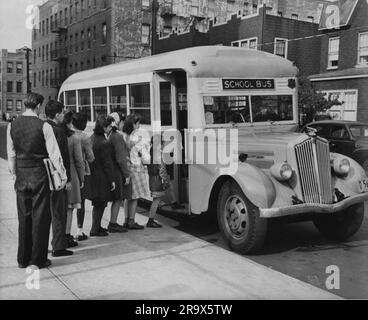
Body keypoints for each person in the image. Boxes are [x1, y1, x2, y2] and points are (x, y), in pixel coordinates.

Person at [7, 93, 67, 269]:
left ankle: (23, 258)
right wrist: (62, 175)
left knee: (24, 217)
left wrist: (14, 173)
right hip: (39, 174)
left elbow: (11, 154)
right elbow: (55, 154)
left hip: (22, 174)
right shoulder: (44, 127)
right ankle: (37, 259)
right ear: (39, 106)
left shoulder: (12, 125)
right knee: (40, 217)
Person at [45, 101, 74, 257]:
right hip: (57, 178)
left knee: (48, 212)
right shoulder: (59, 131)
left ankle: (49, 244)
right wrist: (67, 179)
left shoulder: (44, 127)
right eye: (62, 113)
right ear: (57, 115)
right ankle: (59, 246)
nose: (64, 115)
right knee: (59, 212)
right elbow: (63, 157)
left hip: (44, 176)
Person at [84, 115, 115, 237]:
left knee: (97, 203)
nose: (110, 129)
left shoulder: (92, 138)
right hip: (102, 177)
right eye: (108, 127)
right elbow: (108, 164)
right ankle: (95, 229)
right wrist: (112, 180)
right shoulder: (104, 142)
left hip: (92, 175)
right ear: (104, 127)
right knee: (101, 203)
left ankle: (96, 227)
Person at [122, 114, 150, 230]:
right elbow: (141, 153)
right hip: (136, 168)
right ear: (133, 124)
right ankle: (132, 221)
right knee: (135, 196)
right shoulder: (135, 137)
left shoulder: (124, 136)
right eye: (138, 123)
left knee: (128, 197)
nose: (139, 125)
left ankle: (126, 219)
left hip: (128, 168)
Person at [62, 111, 85, 247]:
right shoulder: (74, 138)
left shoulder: (56, 134)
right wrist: (81, 178)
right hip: (72, 173)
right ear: (70, 122)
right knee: (70, 208)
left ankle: (60, 236)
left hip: (58, 174)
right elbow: (79, 161)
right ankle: (67, 235)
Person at [106, 112, 130, 233]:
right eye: (122, 121)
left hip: (111, 169)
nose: (123, 123)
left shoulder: (109, 135)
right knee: (118, 198)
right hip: (117, 171)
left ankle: (112, 222)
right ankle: (113, 223)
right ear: (117, 122)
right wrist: (126, 175)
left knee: (116, 198)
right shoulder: (118, 137)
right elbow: (121, 158)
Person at [73, 113, 95, 241]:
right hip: (82, 172)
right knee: (81, 203)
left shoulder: (68, 134)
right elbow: (91, 157)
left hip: (69, 170)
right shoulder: (84, 137)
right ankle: (79, 231)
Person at [147, 135, 171, 228]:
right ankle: (151, 220)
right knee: (156, 200)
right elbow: (162, 169)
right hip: (157, 179)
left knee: (156, 199)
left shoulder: (151, 151)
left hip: (152, 178)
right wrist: (165, 180)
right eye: (162, 143)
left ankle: (151, 219)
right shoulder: (157, 154)